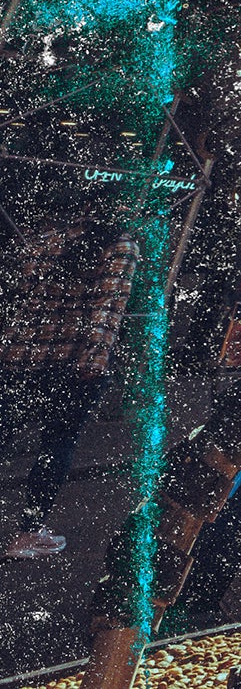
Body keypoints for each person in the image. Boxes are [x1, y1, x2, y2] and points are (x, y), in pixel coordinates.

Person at [1, 205, 140, 560]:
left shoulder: (49, 237)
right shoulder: (120, 245)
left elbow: (22, 295)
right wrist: (94, 364)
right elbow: (107, 312)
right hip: (70, 366)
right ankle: (28, 533)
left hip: (20, 356)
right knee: (56, 446)